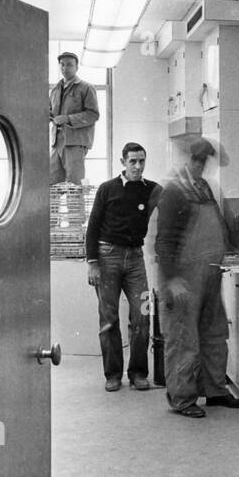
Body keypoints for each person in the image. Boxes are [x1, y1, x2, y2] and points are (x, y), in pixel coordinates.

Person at [155, 137, 239, 417]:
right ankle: (182, 399)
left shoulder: (203, 188)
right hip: (183, 280)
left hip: (210, 274)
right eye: (196, 160)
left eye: (204, 161)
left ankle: (215, 391)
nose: (199, 166)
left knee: (214, 334)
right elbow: (163, 242)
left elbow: (219, 225)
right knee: (184, 341)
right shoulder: (174, 191)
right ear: (187, 160)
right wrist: (171, 279)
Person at [85, 143, 160, 392]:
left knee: (142, 314)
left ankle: (138, 372)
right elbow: (93, 227)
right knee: (108, 319)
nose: (138, 167)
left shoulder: (151, 190)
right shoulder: (108, 189)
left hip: (136, 258)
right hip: (108, 257)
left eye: (141, 161)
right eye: (133, 162)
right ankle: (113, 375)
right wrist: (93, 263)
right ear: (123, 162)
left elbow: (172, 205)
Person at [48, 51, 100, 184]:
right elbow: (50, 112)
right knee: (52, 185)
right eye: (62, 65)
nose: (65, 68)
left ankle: (76, 206)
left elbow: (93, 114)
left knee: (75, 186)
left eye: (70, 65)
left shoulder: (86, 88)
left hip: (75, 142)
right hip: (56, 143)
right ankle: (51, 206)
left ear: (77, 67)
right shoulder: (54, 90)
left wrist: (68, 118)